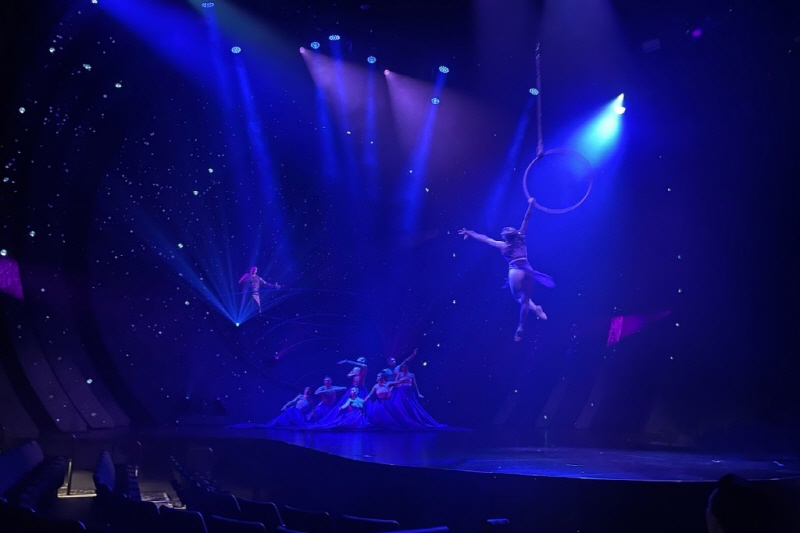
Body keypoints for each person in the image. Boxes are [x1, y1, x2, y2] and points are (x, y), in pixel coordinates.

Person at [458, 197, 553, 342]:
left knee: (518, 297)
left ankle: (524, 323)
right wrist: (531, 205)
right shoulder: (521, 238)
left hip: (516, 271)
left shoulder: (502, 245)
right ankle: (531, 315)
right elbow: (526, 218)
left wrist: (469, 232)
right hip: (528, 269)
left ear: (505, 237)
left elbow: (485, 238)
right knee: (525, 299)